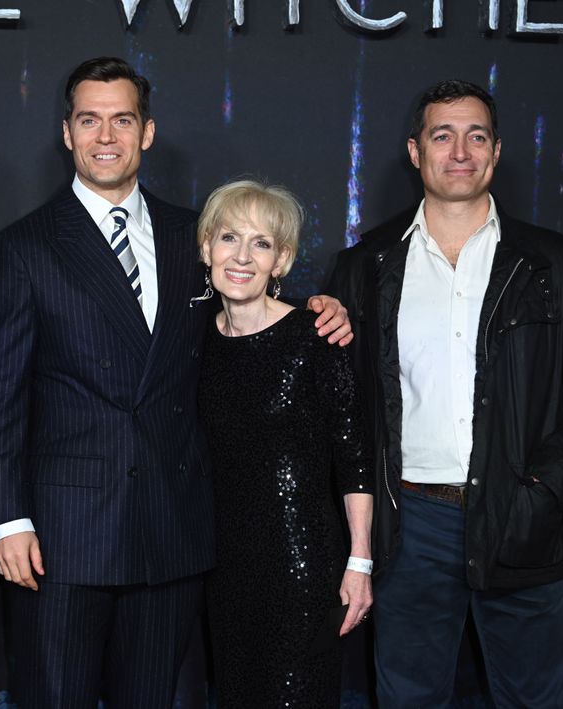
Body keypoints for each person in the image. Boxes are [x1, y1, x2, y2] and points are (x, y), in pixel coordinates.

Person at [0, 56, 351, 708]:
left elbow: (247, 310)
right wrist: (6, 519)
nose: (106, 136)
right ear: (67, 133)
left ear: (146, 132)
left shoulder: (192, 235)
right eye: (90, 120)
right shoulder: (20, 249)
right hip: (61, 540)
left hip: (173, 532)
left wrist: (316, 311)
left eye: (122, 119)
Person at [326, 79, 563, 707]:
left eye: (476, 136)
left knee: (532, 699)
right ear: (416, 152)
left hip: (523, 519)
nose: (460, 150)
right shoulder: (367, 265)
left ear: (495, 154)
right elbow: (341, 401)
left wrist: (546, 488)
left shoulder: (556, 263)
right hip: (409, 524)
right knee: (408, 699)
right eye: (443, 135)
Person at [195, 180, 373, 707]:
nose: (242, 257)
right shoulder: (194, 339)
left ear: (283, 261)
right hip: (223, 569)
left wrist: (360, 560)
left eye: (262, 243)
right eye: (230, 238)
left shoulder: (316, 335)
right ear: (207, 248)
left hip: (303, 566)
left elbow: (354, 453)